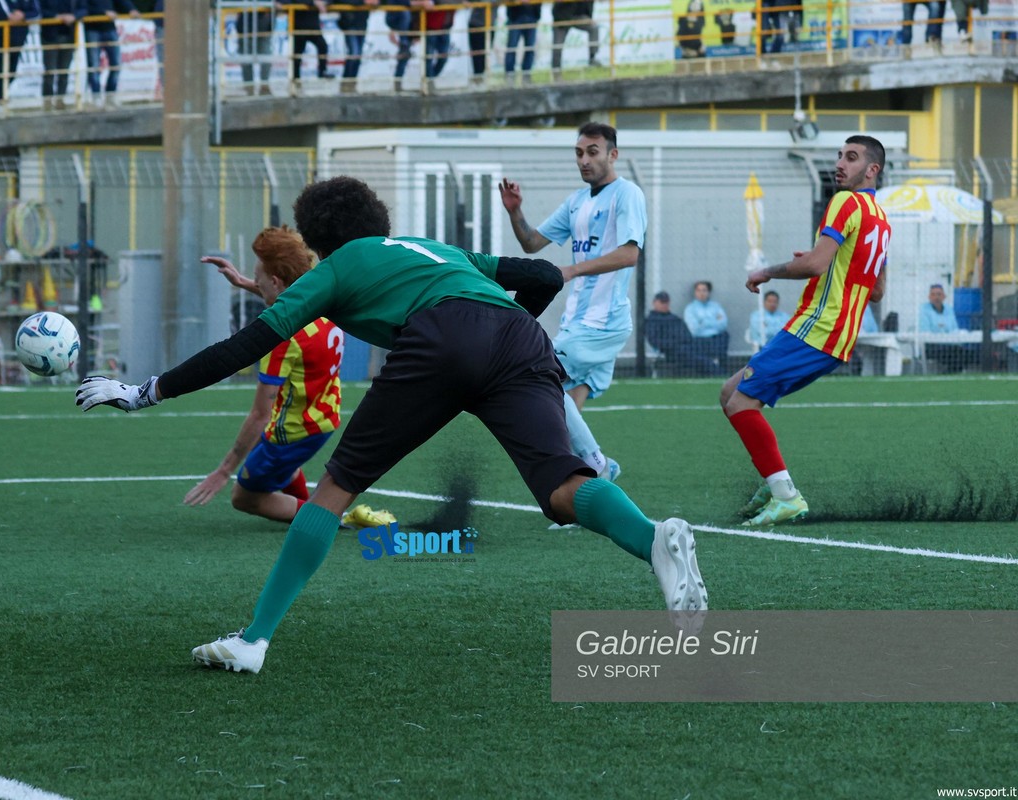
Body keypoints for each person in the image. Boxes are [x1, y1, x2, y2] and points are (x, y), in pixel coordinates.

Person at [76, 175, 708, 674]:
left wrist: (144, 392)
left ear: (316, 239)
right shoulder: (433, 249)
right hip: (518, 338)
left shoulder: (337, 266)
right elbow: (542, 274)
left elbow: (248, 343)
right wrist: (497, 337)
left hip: (438, 339)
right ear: (377, 220)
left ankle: (254, 640)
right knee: (563, 487)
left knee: (333, 491)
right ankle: (653, 538)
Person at [719, 135, 891, 526]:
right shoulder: (881, 220)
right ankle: (772, 482)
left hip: (818, 327)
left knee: (740, 404)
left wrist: (766, 271)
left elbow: (815, 266)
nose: (840, 163)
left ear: (872, 169)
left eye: (851, 157)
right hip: (838, 335)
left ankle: (786, 495)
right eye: (839, 156)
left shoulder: (845, 202)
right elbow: (876, 290)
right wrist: (821, 263)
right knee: (730, 392)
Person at [185, 227, 391, 528]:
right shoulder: (326, 307)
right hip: (324, 418)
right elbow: (289, 297)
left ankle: (326, 518)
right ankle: (317, 507)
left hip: (292, 431)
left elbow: (260, 414)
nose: (255, 282)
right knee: (279, 464)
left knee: (244, 497)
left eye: (257, 277)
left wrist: (223, 470)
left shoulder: (281, 339)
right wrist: (243, 282)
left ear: (275, 281)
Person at [499, 122, 645, 482]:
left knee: (537, 374)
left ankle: (598, 466)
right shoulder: (576, 202)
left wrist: (572, 269)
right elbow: (532, 243)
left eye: (592, 152)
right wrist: (515, 212)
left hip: (602, 323)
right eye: (579, 153)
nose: (584, 160)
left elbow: (629, 254)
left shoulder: (627, 194)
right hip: (577, 321)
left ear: (612, 154)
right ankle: (580, 482)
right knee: (558, 408)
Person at [646, 291, 723, 376]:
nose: (664, 305)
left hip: (687, 346)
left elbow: (687, 335)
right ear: (654, 303)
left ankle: (718, 372)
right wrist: (674, 344)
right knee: (699, 358)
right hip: (671, 351)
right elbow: (654, 341)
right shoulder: (651, 321)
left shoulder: (674, 318)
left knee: (706, 346)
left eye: (666, 302)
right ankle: (719, 374)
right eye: (662, 302)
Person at [0, 0, 42, 109]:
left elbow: (36, 11)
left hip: (18, 37)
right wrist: (11, 15)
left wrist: (23, 15)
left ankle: (2, 94)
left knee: (12, 69)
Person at [82, 0, 139, 105]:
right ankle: (96, 98)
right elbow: (82, 8)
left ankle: (110, 96)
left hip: (109, 28)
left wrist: (131, 9)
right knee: (94, 66)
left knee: (116, 64)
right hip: (92, 28)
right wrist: (103, 12)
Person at [918, 283, 977, 372]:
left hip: (950, 344)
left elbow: (955, 329)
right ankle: (950, 373)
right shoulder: (924, 310)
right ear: (929, 297)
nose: (936, 297)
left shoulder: (949, 309)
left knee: (969, 354)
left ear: (944, 297)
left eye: (939, 294)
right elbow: (926, 333)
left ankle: (949, 373)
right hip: (932, 346)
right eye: (933, 294)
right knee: (956, 354)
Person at [41, 0, 85, 109]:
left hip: (69, 36)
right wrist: (56, 16)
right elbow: (40, 10)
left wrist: (74, 16)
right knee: (49, 71)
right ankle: (47, 101)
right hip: (50, 37)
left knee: (64, 71)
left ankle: (60, 100)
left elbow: (84, 9)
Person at [684, 280, 729, 367]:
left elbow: (723, 324)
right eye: (698, 290)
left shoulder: (716, 306)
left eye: (704, 290)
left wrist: (703, 322)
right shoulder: (690, 309)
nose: (701, 293)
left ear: (709, 292)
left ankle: (721, 367)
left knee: (725, 335)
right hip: (700, 339)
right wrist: (714, 321)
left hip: (716, 337)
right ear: (695, 292)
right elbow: (694, 329)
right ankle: (712, 365)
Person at [550, 0, 599, 78]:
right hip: (562, 16)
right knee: (557, 47)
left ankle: (592, 58)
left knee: (593, 27)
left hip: (578, 14)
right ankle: (556, 73)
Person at [337, 0, 378, 93]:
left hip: (362, 24)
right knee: (354, 53)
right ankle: (345, 82)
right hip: (350, 24)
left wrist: (375, 3)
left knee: (358, 55)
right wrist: (364, 2)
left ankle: (351, 83)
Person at [286, 0, 331, 82]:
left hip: (313, 26)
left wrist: (323, 2)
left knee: (323, 46)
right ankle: (295, 77)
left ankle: (322, 72)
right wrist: (313, 2)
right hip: (299, 26)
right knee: (297, 53)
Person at [237, 0, 276, 95]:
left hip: (263, 29)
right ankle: (249, 87)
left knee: (266, 59)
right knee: (246, 60)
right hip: (246, 28)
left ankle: (264, 85)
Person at [503, 0, 541, 84]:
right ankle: (510, 75)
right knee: (512, 48)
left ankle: (526, 75)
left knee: (530, 48)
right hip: (515, 17)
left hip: (532, 16)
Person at [467, 0, 499, 84]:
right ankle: (477, 78)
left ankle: (480, 79)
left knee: (485, 54)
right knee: (477, 55)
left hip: (489, 25)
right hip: (476, 24)